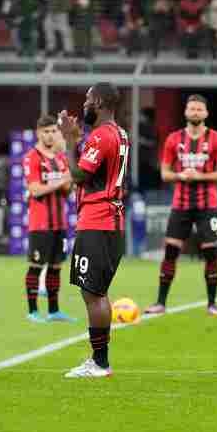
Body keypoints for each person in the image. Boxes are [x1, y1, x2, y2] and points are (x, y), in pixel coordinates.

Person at [58, 83, 130, 378]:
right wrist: (77, 140)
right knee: (97, 292)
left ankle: (100, 363)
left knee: (93, 294)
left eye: (88, 100)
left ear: (98, 102)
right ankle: (99, 359)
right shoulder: (120, 133)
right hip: (109, 221)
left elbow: (78, 175)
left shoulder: (101, 136)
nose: (84, 105)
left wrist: (69, 142)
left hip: (98, 220)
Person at [144, 95, 217, 316]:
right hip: (180, 205)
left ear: (206, 113)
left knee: (211, 253)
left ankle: (212, 304)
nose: (195, 112)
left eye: (199, 109)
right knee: (171, 251)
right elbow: (164, 173)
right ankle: (160, 303)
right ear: (185, 112)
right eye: (191, 108)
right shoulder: (174, 139)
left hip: (207, 205)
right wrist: (181, 176)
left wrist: (199, 176)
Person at [22, 115, 75, 323]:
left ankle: (54, 311)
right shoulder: (32, 157)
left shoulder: (60, 159)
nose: (50, 135)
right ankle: (33, 311)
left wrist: (70, 181)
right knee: (36, 266)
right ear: (38, 133)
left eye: (53, 131)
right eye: (46, 131)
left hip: (59, 222)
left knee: (56, 266)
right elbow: (35, 190)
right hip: (40, 223)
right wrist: (62, 180)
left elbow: (66, 189)